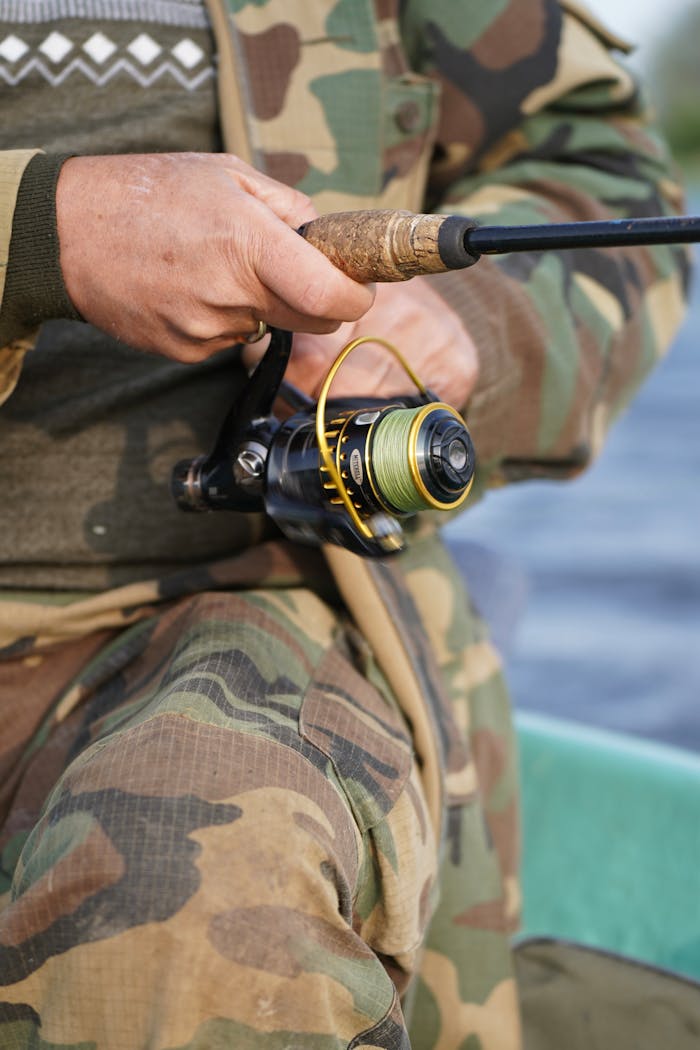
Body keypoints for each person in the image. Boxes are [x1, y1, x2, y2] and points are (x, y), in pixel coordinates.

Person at [0, 2, 689, 1047]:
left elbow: (599, 169)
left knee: (211, 880)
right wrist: (40, 230)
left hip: (246, 596)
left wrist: (468, 325)